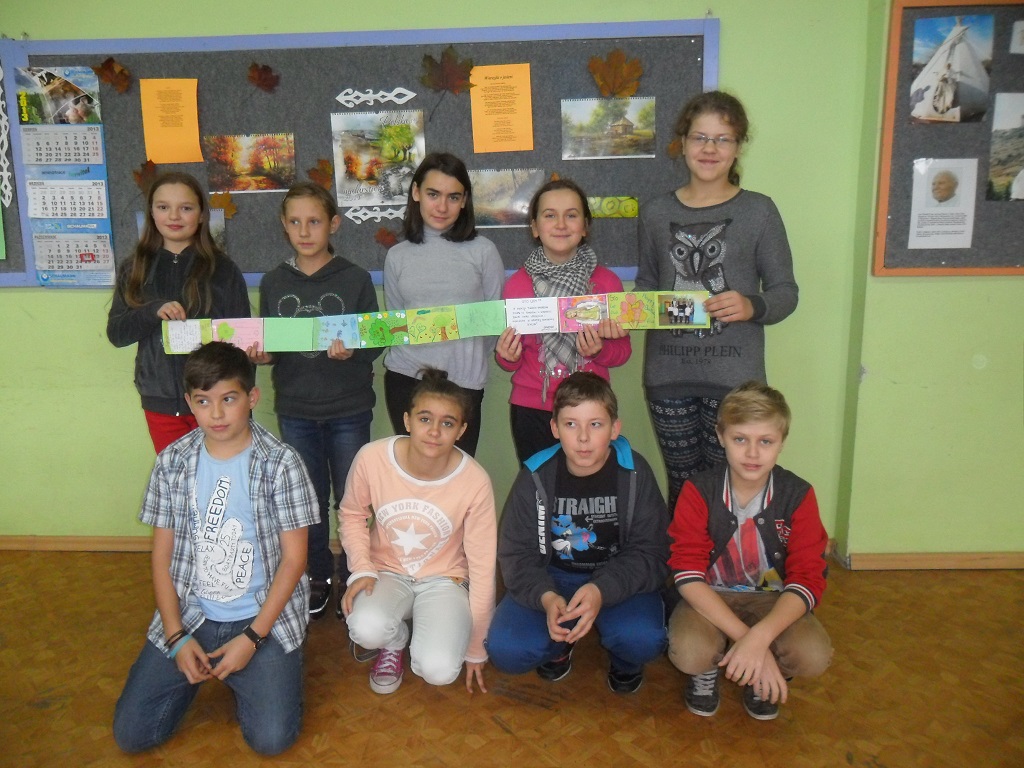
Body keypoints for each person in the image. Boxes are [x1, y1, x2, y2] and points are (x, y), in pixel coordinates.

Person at [113, 341, 318, 755]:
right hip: (193, 613)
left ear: (252, 397)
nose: (217, 414)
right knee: (131, 735)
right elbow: (162, 558)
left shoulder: (282, 463)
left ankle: (250, 671)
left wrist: (252, 639)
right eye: (204, 401)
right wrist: (176, 637)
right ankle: (204, 667)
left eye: (229, 399)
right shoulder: (173, 462)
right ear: (190, 402)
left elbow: (294, 560)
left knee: (271, 740)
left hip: (262, 619)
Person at [635, 91, 798, 512]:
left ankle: (732, 557)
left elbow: (785, 292)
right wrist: (621, 315)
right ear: (683, 142)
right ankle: (684, 557)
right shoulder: (655, 213)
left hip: (735, 381)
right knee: (685, 488)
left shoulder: (759, 211)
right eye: (700, 137)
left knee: (732, 486)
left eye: (723, 139)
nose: (710, 148)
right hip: (668, 375)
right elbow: (647, 287)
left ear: (738, 146)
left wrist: (751, 306)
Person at [486, 372, 669, 694]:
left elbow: (652, 551)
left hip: (617, 576)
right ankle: (559, 645)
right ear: (555, 428)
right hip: (554, 576)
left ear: (615, 428)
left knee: (642, 639)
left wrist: (602, 590)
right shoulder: (535, 475)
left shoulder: (635, 473)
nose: (583, 438)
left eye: (595, 424)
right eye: (571, 424)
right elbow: (516, 553)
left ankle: (625, 661)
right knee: (507, 651)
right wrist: (546, 597)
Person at [247, 182, 381, 620]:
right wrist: (264, 355)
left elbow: (376, 340)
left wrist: (354, 349)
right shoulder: (274, 282)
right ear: (284, 226)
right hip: (297, 410)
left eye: (315, 221)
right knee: (308, 501)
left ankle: (356, 574)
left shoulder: (355, 278)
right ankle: (318, 575)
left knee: (353, 500)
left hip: (349, 409)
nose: (305, 231)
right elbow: (273, 344)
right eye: (295, 222)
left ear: (333, 224)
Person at [667, 381, 831, 721]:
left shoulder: (798, 495)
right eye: (740, 439)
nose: (753, 453)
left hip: (773, 598)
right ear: (721, 436)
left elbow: (807, 578)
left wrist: (762, 637)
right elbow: (687, 574)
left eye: (765, 441)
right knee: (690, 652)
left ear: (782, 442)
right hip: (711, 595)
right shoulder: (699, 490)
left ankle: (767, 673)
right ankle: (722, 669)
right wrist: (751, 641)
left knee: (813, 655)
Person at [339, 367, 497, 695]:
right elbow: (352, 514)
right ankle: (394, 641)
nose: (434, 432)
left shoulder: (475, 480)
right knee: (365, 628)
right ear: (408, 420)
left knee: (439, 670)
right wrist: (362, 569)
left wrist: (476, 647)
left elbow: (483, 566)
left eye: (447, 423)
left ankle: (426, 638)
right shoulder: (372, 458)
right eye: (425, 419)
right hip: (386, 572)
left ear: (461, 430)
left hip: (445, 579)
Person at [107, 172, 250, 453]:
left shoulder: (223, 269)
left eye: (185, 208)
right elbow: (117, 334)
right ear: (151, 213)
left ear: (201, 215)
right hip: (161, 402)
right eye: (163, 207)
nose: (174, 216)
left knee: (225, 475)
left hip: (217, 402)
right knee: (177, 478)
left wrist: (237, 395)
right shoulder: (134, 268)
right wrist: (151, 311)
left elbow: (242, 338)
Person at [496, 178, 631, 464]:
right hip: (533, 406)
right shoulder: (516, 285)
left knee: (589, 484)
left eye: (571, 215)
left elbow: (622, 352)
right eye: (550, 215)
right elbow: (511, 361)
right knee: (539, 484)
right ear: (535, 227)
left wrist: (600, 350)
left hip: (590, 408)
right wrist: (507, 356)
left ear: (585, 226)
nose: (560, 224)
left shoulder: (607, 283)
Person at [383, 152, 505, 457]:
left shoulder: (484, 252)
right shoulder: (397, 256)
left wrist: (462, 356)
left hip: (463, 384)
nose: (442, 206)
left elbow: (493, 322)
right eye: (433, 194)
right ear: (416, 193)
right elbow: (397, 323)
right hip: (406, 380)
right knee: (412, 475)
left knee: (456, 475)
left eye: (453, 197)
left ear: (464, 201)